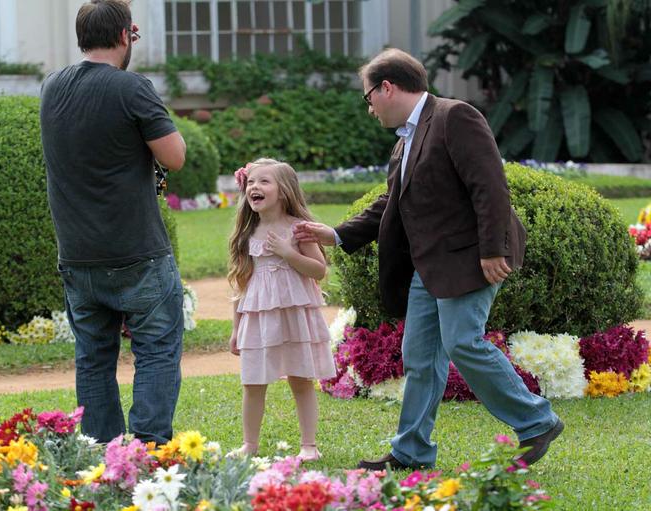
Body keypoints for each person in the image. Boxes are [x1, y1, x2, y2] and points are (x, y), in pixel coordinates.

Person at [293, 48, 563, 470]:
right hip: (428, 266)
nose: (369, 110)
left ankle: (536, 420)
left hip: (472, 257)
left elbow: (489, 186)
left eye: (368, 98)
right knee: (419, 356)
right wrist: (338, 235)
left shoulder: (456, 117)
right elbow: (391, 204)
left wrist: (493, 249)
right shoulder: (404, 143)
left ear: (387, 87)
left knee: (462, 342)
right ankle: (411, 451)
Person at [39, 0, 187, 445]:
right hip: (136, 251)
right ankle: (146, 450)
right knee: (157, 351)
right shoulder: (131, 87)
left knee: (93, 360)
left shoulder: (52, 87)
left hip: (78, 255)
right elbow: (175, 157)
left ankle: (103, 455)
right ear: (126, 36)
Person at [227, 158, 336, 461]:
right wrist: (236, 328)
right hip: (259, 319)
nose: (254, 187)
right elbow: (240, 283)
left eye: (264, 181)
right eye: (250, 182)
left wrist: (289, 253)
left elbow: (318, 271)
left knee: (301, 380)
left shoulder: (298, 229)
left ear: (284, 190)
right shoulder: (247, 232)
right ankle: (249, 444)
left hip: (294, 317)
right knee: (253, 382)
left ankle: (309, 445)